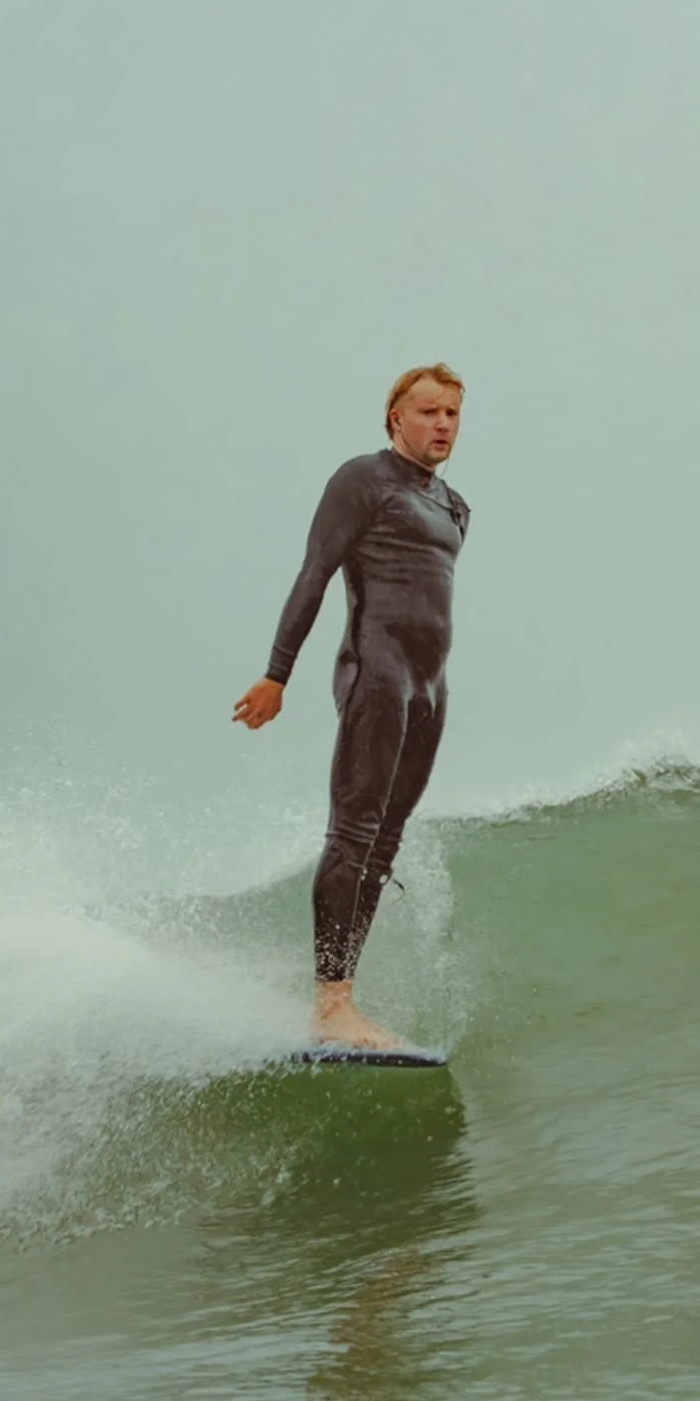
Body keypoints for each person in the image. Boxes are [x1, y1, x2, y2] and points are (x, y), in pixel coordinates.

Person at [233, 364, 470, 1047]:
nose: (442, 424)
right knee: (353, 831)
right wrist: (277, 675)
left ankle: (344, 1002)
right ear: (396, 418)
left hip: (430, 686)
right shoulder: (362, 480)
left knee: (386, 839)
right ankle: (330, 1003)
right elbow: (316, 571)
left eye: (452, 413)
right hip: (376, 671)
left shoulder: (455, 505)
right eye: (428, 412)